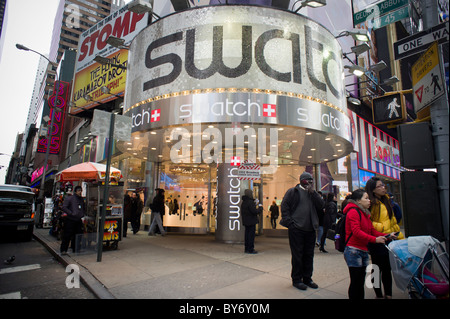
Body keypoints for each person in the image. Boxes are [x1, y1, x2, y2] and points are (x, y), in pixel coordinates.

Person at [343, 189, 396, 300]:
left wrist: (386, 236)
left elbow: (371, 230)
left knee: (360, 281)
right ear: (358, 200)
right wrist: (375, 240)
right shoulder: (353, 212)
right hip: (353, 250)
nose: (369, 201)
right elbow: (357, 232)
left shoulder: (365, 213)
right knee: (356, 281)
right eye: (366, 198)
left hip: (363, 250)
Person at [280, 172, 325, 290]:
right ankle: (296, 279)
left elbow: (321, 205)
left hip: (310, 229)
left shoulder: (313, 194)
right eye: (307, 181)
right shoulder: (293, 192)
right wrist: (290, 223)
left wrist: (313, 193)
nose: (309, 183)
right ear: (301, 181)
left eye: (311, 181)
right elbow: (284, 206)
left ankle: (307, 278)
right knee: (297, 255)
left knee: (309, 255)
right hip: (297, 229)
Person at [366, 177, 404, 299]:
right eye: (380, 186)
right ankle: (378, 294)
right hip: (376, 240)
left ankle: (388, 294)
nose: (383, 188)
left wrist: (395, 233)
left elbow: (393, 220)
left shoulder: (387, 201)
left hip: (390, 239)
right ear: (373, 190)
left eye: (383, 185)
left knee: (387, 269)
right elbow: (367, 222)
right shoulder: (371, 204)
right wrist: (381, 228)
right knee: (376, 268)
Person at [60, 186, 86, 255]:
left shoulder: (81, 199)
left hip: (78, 219)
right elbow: (64, 207)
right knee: (67, 235)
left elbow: (83, 207)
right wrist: (71, 213)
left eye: (81, 190)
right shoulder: (70, 198)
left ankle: (76, 248)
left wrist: (82, 214)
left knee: (77, 235)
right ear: (75, 191)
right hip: (70, 219)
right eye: (78, 190)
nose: (80, 192)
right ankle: (63, 249)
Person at [241, 189, 263, 254]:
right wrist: (260, 208)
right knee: (251, 235)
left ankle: (246, 248)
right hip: (251, 221)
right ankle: (251, 249)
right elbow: (254, 211)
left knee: (247, 235)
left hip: (246, 221)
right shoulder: (250, 202)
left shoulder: (244, 202)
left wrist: (254, 203)